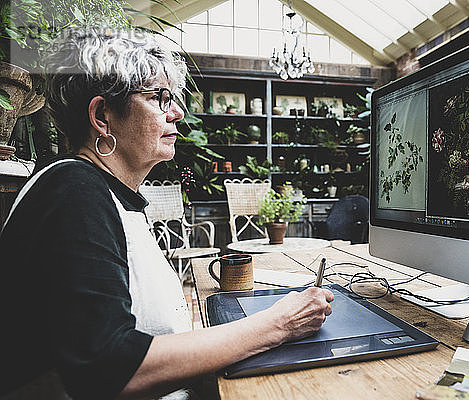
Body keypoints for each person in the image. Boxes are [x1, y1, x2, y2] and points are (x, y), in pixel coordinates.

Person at [0, 27, 334, 400]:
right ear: (102, 116)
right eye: (159, 98)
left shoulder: (106, 192)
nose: (177, 112)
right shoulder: (74, 192)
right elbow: (108, 369)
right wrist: (278, 324)